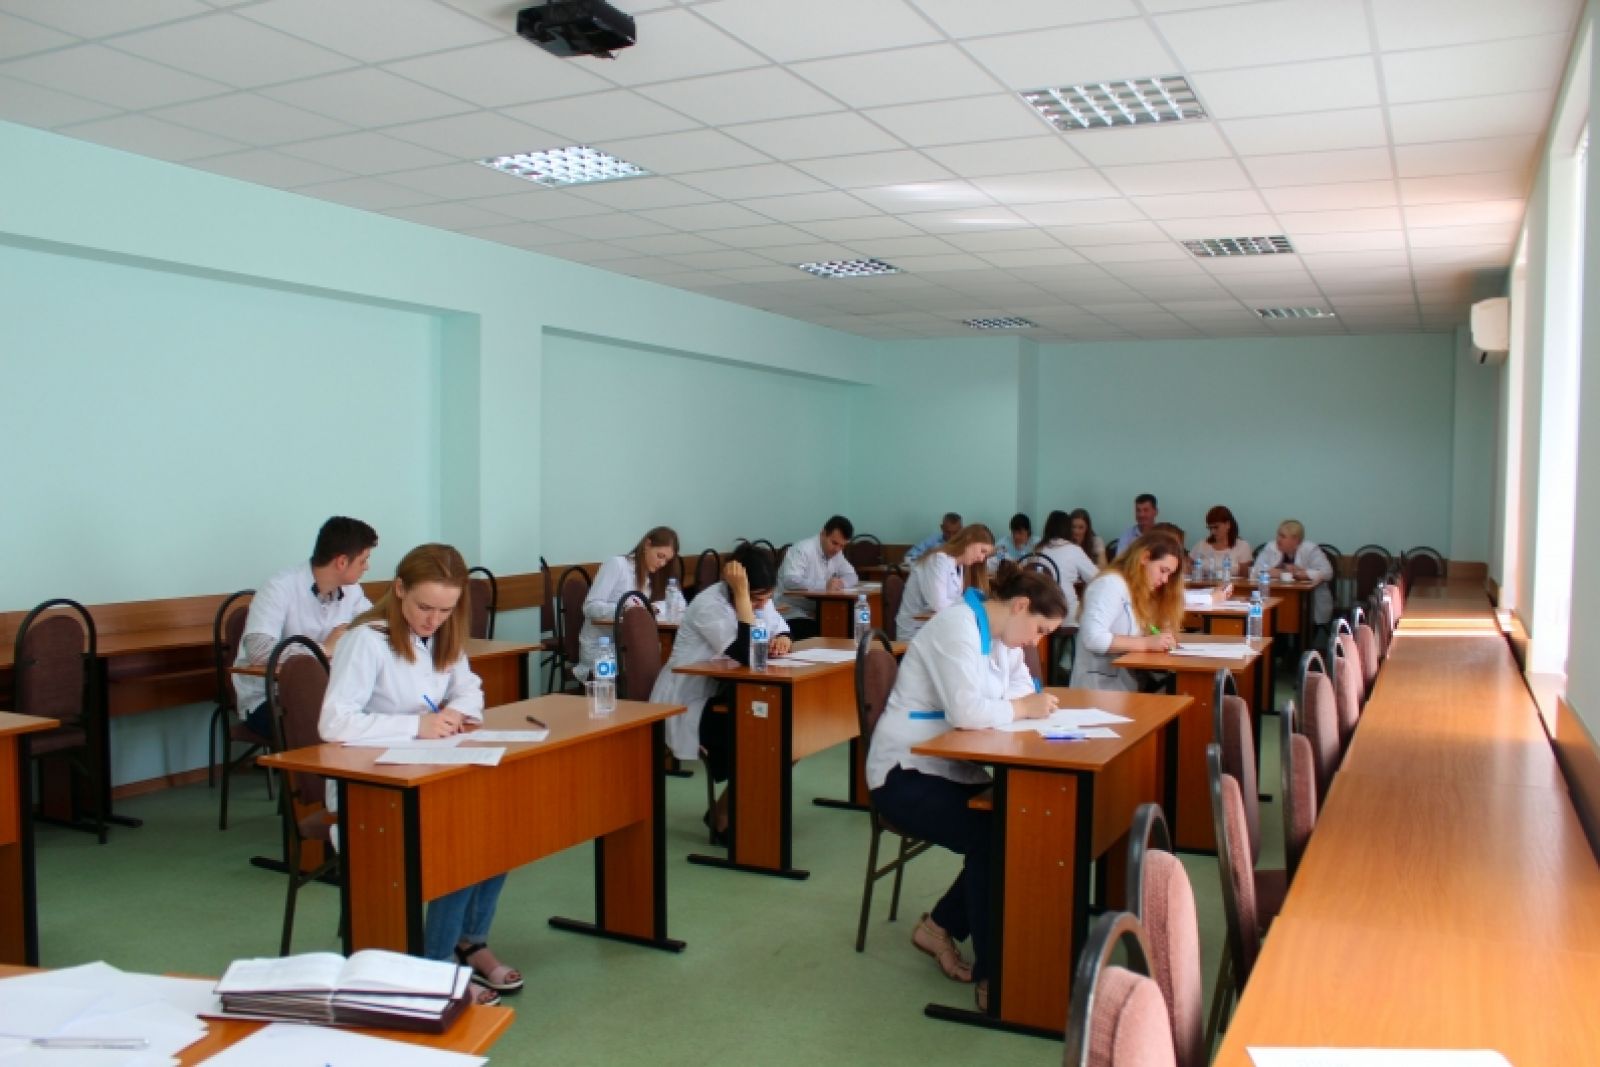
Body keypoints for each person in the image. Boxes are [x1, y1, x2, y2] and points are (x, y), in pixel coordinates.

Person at [317, 543, 516, 1006]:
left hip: (429, 771)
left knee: (501, 834)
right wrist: (416, 726)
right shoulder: (366, 640)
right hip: (373, 790)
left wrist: (457, 712)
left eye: (445, 610)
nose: (433, 620)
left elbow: (471, 690)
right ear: (399, 589)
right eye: (425, 607)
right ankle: (437, 965)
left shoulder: (443, 635)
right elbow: (334, 723)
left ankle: (470, 942)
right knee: (461, 845)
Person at [867, 563, 1068, 1012]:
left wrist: (1016, 704)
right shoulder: (956, 627)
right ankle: (993, 975)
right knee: (994, 834)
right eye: (1039, 630)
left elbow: (1022, 690)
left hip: (949, 763)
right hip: (903, 772)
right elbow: (969, 713)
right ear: (1020, 606)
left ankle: (940, 926)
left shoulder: (1001, 637)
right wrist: (1019, 707)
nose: (1035, 642)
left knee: (1014, 820)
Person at [652, 544, 791, 841]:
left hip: (724, 693)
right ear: (736, 587)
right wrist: (742, 596)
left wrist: (782, 638)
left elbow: (778, 625)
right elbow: (747, 653)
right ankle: (725, 816)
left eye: (767, 598)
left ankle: (726, 811)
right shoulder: (709, 605)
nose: (762, 605)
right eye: (756, 599)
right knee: (769, 739)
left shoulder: (758, 599)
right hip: (688, 700)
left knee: (789, 738)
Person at [233, 516, 377, 739]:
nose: (367, 567)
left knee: (374, 714)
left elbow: (375, 626)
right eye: (363, 560)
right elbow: (258, 650)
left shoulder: (352, 591)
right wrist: (323, 649)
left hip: (326, 692)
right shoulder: (279, 588)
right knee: (331, 728)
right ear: (341, 562)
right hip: (270, 698)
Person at [1071, 531, 1188, 692]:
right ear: (1144, 558)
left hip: (1125, 684)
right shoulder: (1110, 584)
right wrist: (1146, 643)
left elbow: (1149, 627)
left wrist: (1163, 634)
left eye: (1170, 574)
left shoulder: (1141, 589)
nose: (1165, 580)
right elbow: (1093, 638)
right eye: (1163, 570)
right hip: (1097, 687)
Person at [576, 526, 679, 681]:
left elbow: (666, 604)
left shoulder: (649, 577)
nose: (662, 563)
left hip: (628, 647)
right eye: (660, 556)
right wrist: (625, 610)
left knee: (661, 670)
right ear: (647, 544)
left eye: (667, 560)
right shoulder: (617, 565)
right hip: (602, 648)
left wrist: (654, 608)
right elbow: (590, 607)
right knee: (650, 674)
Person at [896, 524, 995, 641]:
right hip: (916, 632)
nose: (982, 559)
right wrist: (971, 605)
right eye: (982, 551)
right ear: (969, 540)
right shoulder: (937, 560)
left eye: (985, 555)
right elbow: (938, 605)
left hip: (935, 626)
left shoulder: (958, 566)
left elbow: (954, 602)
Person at [776, 515, 858, 640]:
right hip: (791, 610)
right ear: (823, 534)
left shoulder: (837, 554)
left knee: (847, 626)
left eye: (842, 546)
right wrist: (824, 585)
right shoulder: (802, 549)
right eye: (834, 543)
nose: (837, 549)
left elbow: (852, 575)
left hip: (819, 611)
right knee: (821, 632)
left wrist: (840, 583)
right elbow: (790, 580)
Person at [1253, 520, 1336, 626]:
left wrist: (1303, 573)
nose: (1278, 539)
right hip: (1275, 596)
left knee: (1296, 621)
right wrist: (1284, 572)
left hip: (1308, 602)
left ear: (1295, 540)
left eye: (1283, 536)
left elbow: (1327, 573)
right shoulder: (1271, 547)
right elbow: (1256, 570)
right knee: (1274, 621)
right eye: (1278, 535)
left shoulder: (1310, 549)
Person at [1033, 510, 1097, 618]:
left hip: (1041, 612)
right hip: (1066, 613)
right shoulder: (1074, 550)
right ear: (1068, 529)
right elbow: (1096, 578)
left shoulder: (1038, 549)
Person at [1191, 506, 1253, 576]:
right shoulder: (1201, 545)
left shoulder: (1243, 546)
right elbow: (1188, 568)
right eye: (1210, 528)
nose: (1212, 532)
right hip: (1203, 582)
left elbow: (1245, 577)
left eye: (1216, 527)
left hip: (1232, 583)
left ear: (1228, 525)